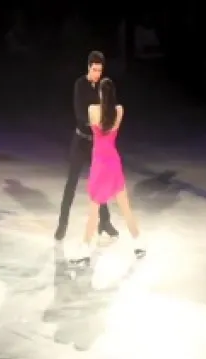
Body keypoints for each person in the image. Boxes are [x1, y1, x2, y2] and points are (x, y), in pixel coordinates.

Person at [75, 77, 145, 261]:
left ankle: (84, 248)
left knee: (94, 209)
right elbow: (111, 121)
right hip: (113, 162)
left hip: (99, 163)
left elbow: (93, 125)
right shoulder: (119, 111)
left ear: (100, 93)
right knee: (125, 206)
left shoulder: (92, 110)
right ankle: (138, 243)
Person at [55, 51, 118, 241]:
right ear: (88, 67)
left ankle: (104, 221)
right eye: (94, 69)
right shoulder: (80, 85)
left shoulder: (103, 86)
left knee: (100, 182)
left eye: (100, 70)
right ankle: (62, 223)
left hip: (96, 143)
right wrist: (95, 123)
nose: (97, 73)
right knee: (71, 183)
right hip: (81, 141)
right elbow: (80, 113)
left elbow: (110, 108)